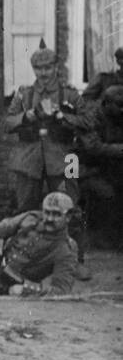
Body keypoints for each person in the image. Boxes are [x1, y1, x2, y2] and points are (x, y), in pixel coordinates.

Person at [2, 44, 91, 278]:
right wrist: (26, 116)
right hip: (29, 158)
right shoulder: (24, 95)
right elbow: (7, 123)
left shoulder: (69, 94)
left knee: (72, 208)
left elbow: (87, 122)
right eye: (38, 68)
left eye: (48, 67)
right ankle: (23, 259)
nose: (43, 73)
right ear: (33, 69)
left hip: (65, 158)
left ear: (56, 67)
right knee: (25, 210)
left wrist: (64, 117)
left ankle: (76, 260)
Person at [79, 85, 123, 248]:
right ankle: (101, 239)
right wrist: (120, 149)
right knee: (108, 193)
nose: (122, 109)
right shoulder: (90, 118)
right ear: (106, 104)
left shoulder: (116, 116)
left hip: (109, 168)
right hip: (83, 169)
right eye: (120, 105)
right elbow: (93, 147)